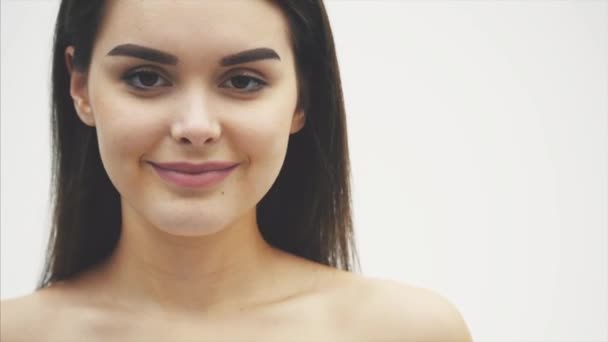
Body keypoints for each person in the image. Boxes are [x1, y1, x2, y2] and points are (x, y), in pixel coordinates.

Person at [0, 0, 473, 340]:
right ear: (80, 86)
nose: (196, 127)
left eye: (243, 81)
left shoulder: (408, 332)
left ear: (301, 99)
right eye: (146, 77)